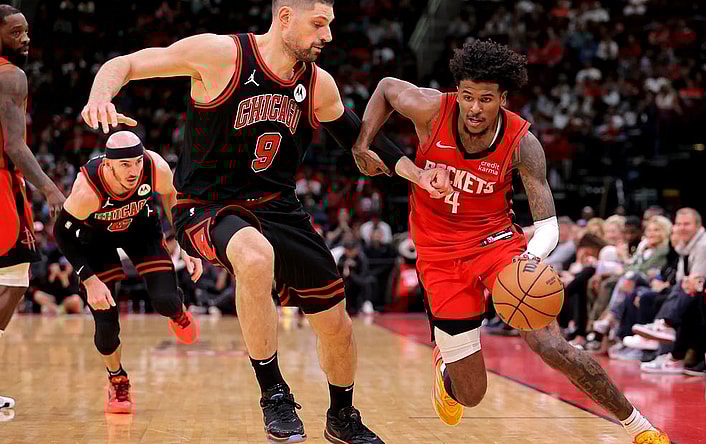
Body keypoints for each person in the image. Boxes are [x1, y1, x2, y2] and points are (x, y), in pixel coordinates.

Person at [81, 1, 450, 442]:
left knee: (336, 321)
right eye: (319, 24)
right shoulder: (221, 55)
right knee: (255, 256)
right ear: (285, 17)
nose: (327, 35)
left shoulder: (318, 83)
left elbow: (359, 136)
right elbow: (127, 63)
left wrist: (417, 173)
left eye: (330, 24)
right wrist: (100, 95)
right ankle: (273, 391)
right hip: (206, 204)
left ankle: (341, 415)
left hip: (278, 206)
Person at [354, 39, 670, 444]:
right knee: (471, 394)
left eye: (485, 99)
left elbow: (549, 224)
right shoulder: (432, 109)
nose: (473, 108)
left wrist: (531, 261)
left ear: (502, 98)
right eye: (467, 96)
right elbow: (384, 87)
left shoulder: (523, 143)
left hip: (496, 242)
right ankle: (445, 367)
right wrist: (362, 143)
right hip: (438, 252)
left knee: (549, 344)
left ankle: (637, 426)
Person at [53, 131, 202, 413]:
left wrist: (186, 245)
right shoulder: (87, 190)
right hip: (95, 241)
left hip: (140, 230)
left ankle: (177, 310)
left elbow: (172, 196)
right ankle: (118, 380)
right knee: (106, 328)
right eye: (125, 165)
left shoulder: (155, 167)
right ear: (108, 164)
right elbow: (61, 233)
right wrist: (89, 278)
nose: (134, 171)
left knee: (166, 302)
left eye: (136, 162)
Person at [0, 5, 66, 411]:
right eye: (15, 32)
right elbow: (14, 144)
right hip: (2, 185)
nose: (25, 39)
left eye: (26, 31)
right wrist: (49, 188)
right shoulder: (11, 75)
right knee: (15, 279)